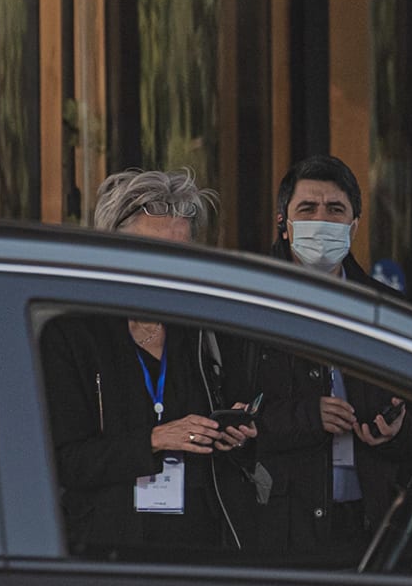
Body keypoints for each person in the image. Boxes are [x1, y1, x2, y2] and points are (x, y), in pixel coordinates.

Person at [40, 169, 256, 556]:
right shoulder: (73, 333)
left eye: (180, 251)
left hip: (201, 547)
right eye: (154, 249)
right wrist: (155, 440)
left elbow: (239, 431)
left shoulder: (206, 330)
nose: (168, 265)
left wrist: (234, 437)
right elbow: (63, 460)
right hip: (108, 550)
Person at [228, 154, 412, 561]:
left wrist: (397, 429)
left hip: (370, 521)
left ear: (354, 225)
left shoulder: (386, 310)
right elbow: (231, 414)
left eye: (335, 210)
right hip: (278, 522)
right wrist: (306, 416)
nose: (322, 220)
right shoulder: (248, 305)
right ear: (284, 222)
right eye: (307, 209)